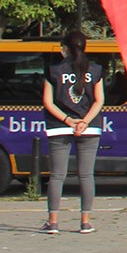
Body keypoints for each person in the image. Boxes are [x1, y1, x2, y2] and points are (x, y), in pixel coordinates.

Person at [40, 30, 104, 234]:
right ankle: (85, 222)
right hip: (90, 126)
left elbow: (47, 102)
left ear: (65, 48)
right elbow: (99, 100)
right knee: (86, 175)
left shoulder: (53, 70)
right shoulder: (95, 70)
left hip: (59, 126)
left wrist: (68, 120)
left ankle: (53, 222)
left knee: (57, 175)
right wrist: (84, 122)